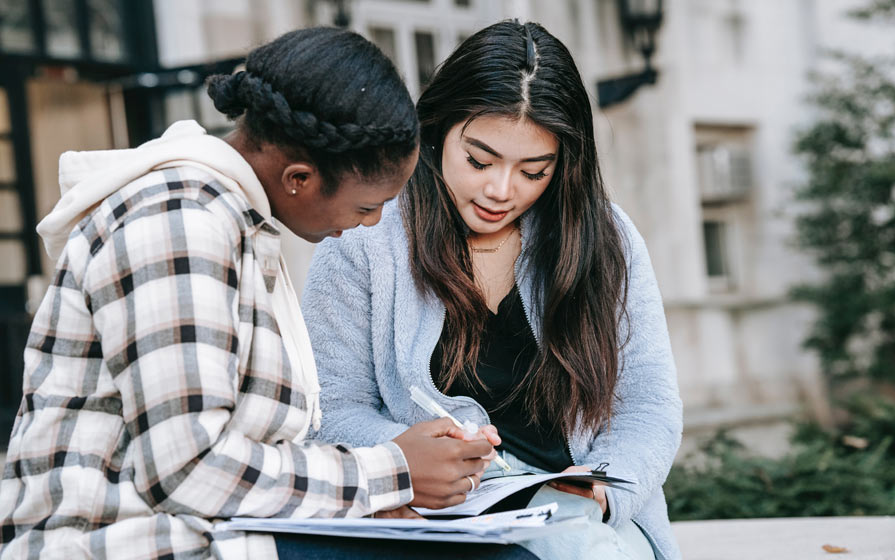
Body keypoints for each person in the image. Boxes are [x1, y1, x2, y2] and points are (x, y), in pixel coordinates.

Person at [0, 27, 524, 560]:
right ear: (299, 177)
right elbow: (189, 470)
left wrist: (362, 502)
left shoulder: (233, 222)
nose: (372, 225)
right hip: (114, 544)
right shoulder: (178, 224)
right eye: (367, 207)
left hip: (214, 535)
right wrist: (390, 471)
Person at [302, 20, 684, 560]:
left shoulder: (606, 237)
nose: (500, 191)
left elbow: (648, 404)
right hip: (446, 519)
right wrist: (412, 455)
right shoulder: (364, 238)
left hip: (583, 512)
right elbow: (331, 410)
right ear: (436, 130)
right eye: (479, 160)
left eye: (534, 171)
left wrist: (602, 482)